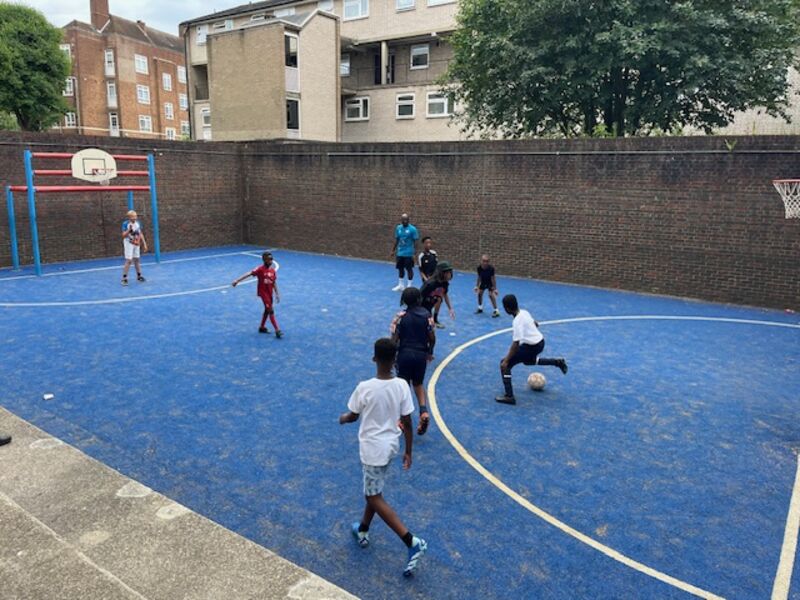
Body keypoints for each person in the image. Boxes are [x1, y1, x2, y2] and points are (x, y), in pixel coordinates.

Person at [339, 338, 427, 577]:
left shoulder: (364, 387)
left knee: (372, 494)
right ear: (395, 360)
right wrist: (408, 450)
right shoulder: (400, 386)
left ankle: (411, 541)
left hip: (372, 450)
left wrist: (343, 418)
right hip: (390, 447)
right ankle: (363, 529)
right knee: (374, 488)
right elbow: (407, 421)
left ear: (374, 358)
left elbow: (353, 415)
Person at [496, 294, 567, 405]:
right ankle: (557, 362)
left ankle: (509, 396)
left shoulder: (517, 322)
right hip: (540, 342)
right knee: (528, 361)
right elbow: (535, 323)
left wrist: (506, 360)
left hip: (532, 346)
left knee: (505, 364)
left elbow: (516, 344)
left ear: (507, 309)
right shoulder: (524, 312)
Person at [390, 287, 436, 435]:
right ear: (419, 299)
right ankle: (423, 411)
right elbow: (432, 337)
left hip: (404, 354)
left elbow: (394, 339)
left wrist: (392, 356)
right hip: (420, 354)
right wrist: (429, 352)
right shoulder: (427, 315)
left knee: (402, 386)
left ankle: (400, 419)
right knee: (418, 383)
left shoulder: (400, 316)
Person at [232, 251, 283, 338]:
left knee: (267, 310)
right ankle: (277, 330)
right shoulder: (260, 269)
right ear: (265, 260)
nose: (271, 260)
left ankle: (262, 327)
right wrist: (237, 280)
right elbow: (249, 273)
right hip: (263, 293)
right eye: (269, 259)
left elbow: (274, 282)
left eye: (272, 259)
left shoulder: (272, 271)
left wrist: (277, 294)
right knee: (270, 310)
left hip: (270, 293)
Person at [420, 261, 455, 329]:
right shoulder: (430, 284)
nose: (449, 274)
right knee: (426, 325)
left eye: (450, 272)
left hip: (431, 302)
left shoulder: (445, 283)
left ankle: (435, 319)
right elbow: (419, 296)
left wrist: (450, 309)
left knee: (439, 298)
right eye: (447, 272)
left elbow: (445, 294)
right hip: (423, 304)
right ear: (441, 273)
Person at [390, 213, 419, 292]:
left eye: (406, 219)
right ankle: (401, 285)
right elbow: (397, 240)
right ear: (401, 220)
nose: (405, 221)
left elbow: (415, 242)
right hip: (400, 253)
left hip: (409, 253)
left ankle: (409, 286)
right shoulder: (398, 228)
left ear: (409, 220)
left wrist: (415, 253)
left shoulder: (413, 229)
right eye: (403, 220)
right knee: (400, 269)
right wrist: (393, 250)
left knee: (409, 269)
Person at [121, 210, 148, 286]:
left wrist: (144, 244)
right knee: (129, 260)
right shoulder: (125, 224)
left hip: (136, 242)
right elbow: (123, 235)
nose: (135, 218)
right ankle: (124, 278)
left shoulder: (138, 223)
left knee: (137, 259)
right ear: (129, 217)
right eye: (133, 216)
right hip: (128, 243)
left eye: (135, 216)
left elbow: (140, 233)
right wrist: (128, 230)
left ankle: (139, 276)